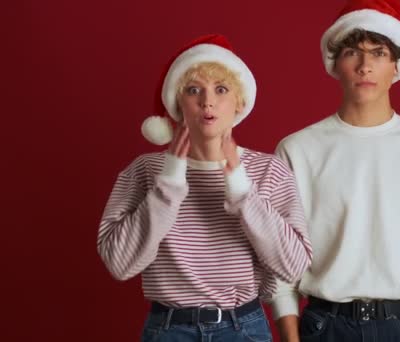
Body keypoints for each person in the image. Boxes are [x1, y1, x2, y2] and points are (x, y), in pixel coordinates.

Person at [271, 1, 400, 341]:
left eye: (378, 53)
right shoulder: (298, 150)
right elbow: (279, 259)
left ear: (397, 64)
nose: (365, 66)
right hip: (325, 324)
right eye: (353, 52)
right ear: (335, 63)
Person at [97, 33, 312, 341]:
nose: (207, 101)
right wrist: (168, 185)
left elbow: (293, 267)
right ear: (177, 103)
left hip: (244, 328)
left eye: (220, 89)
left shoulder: (268, 171)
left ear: (238, 102)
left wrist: (241, 191)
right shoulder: (145, 171)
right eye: (193, 90)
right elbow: (119, 264)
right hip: (169, 329)